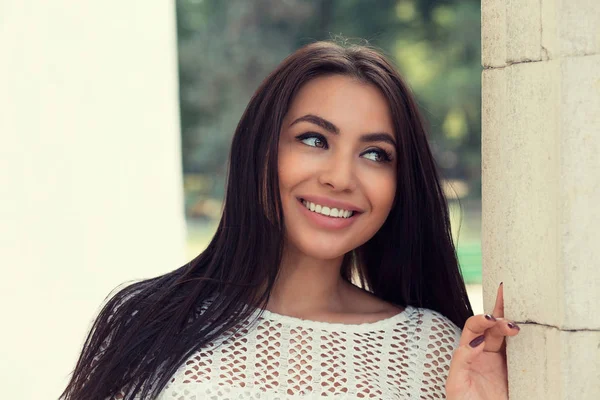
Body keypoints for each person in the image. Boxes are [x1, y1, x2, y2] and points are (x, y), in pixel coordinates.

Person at [61, 41, 520, 400]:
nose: (340, 177)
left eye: (375, 154)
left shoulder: (434, 348)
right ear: (260, 151)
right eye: (314, 140)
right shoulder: (148, 322)